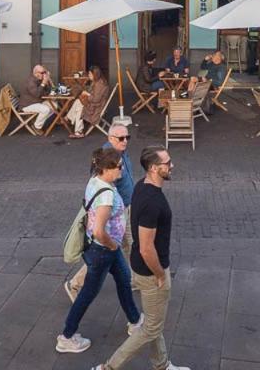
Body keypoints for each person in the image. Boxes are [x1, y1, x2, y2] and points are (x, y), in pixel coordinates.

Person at [92, 146, 188, 370]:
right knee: (150, 328)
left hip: (142, 267)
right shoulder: (152, 202)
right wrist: (160, 275)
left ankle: (161, 365)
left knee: (154, 322)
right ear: (154, 168)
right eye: (167, 163)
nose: (172, 165)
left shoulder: (141, 186)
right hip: (151, 271)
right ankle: (108, 367)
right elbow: (146, 248)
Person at [57, 147, 142, 355]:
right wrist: (112, 245)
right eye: (119, 167)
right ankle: (67, 337)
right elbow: (98, 231)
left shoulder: (95, 181)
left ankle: (135, 321)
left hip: (105, 249)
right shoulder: (106, 196)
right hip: (103, 250)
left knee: (124, 279)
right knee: (88, 293)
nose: (122, 170)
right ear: (106, 168)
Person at [66, 124, 134, 300]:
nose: (125, 141)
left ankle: (132, 279)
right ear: (110, 138)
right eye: (121, 138)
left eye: (127, 137)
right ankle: (75, 283)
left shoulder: (122, 153)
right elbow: (100, 184)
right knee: (106, 252)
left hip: (125, 208)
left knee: (129, 245)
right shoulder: (106, 158)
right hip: (114, 214)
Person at [67, 65, 111, 139]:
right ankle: (69, 118)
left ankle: (78, 131)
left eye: (90, 74)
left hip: (97, 107)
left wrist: (87, 94)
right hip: (96, 104)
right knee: (78, 101)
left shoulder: (100, 84)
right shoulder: (97, 81)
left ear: (95, 74)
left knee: (80, 107)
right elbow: (92, 92)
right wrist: (85, 91)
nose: (89, 75)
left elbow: (96, 99)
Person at [18, 64, 55, 131]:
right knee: (46, 109)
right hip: (27, 105)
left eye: (44, 72)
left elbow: (47, 92)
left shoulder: (38, 79)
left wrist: (48, 81)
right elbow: (37, 94)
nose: (44, 74)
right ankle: (37, 127)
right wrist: (43, 83)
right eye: (42, 73)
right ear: (35, 73)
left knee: (54, 106)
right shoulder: (30, 81)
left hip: (35, 102)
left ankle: (37, 122)